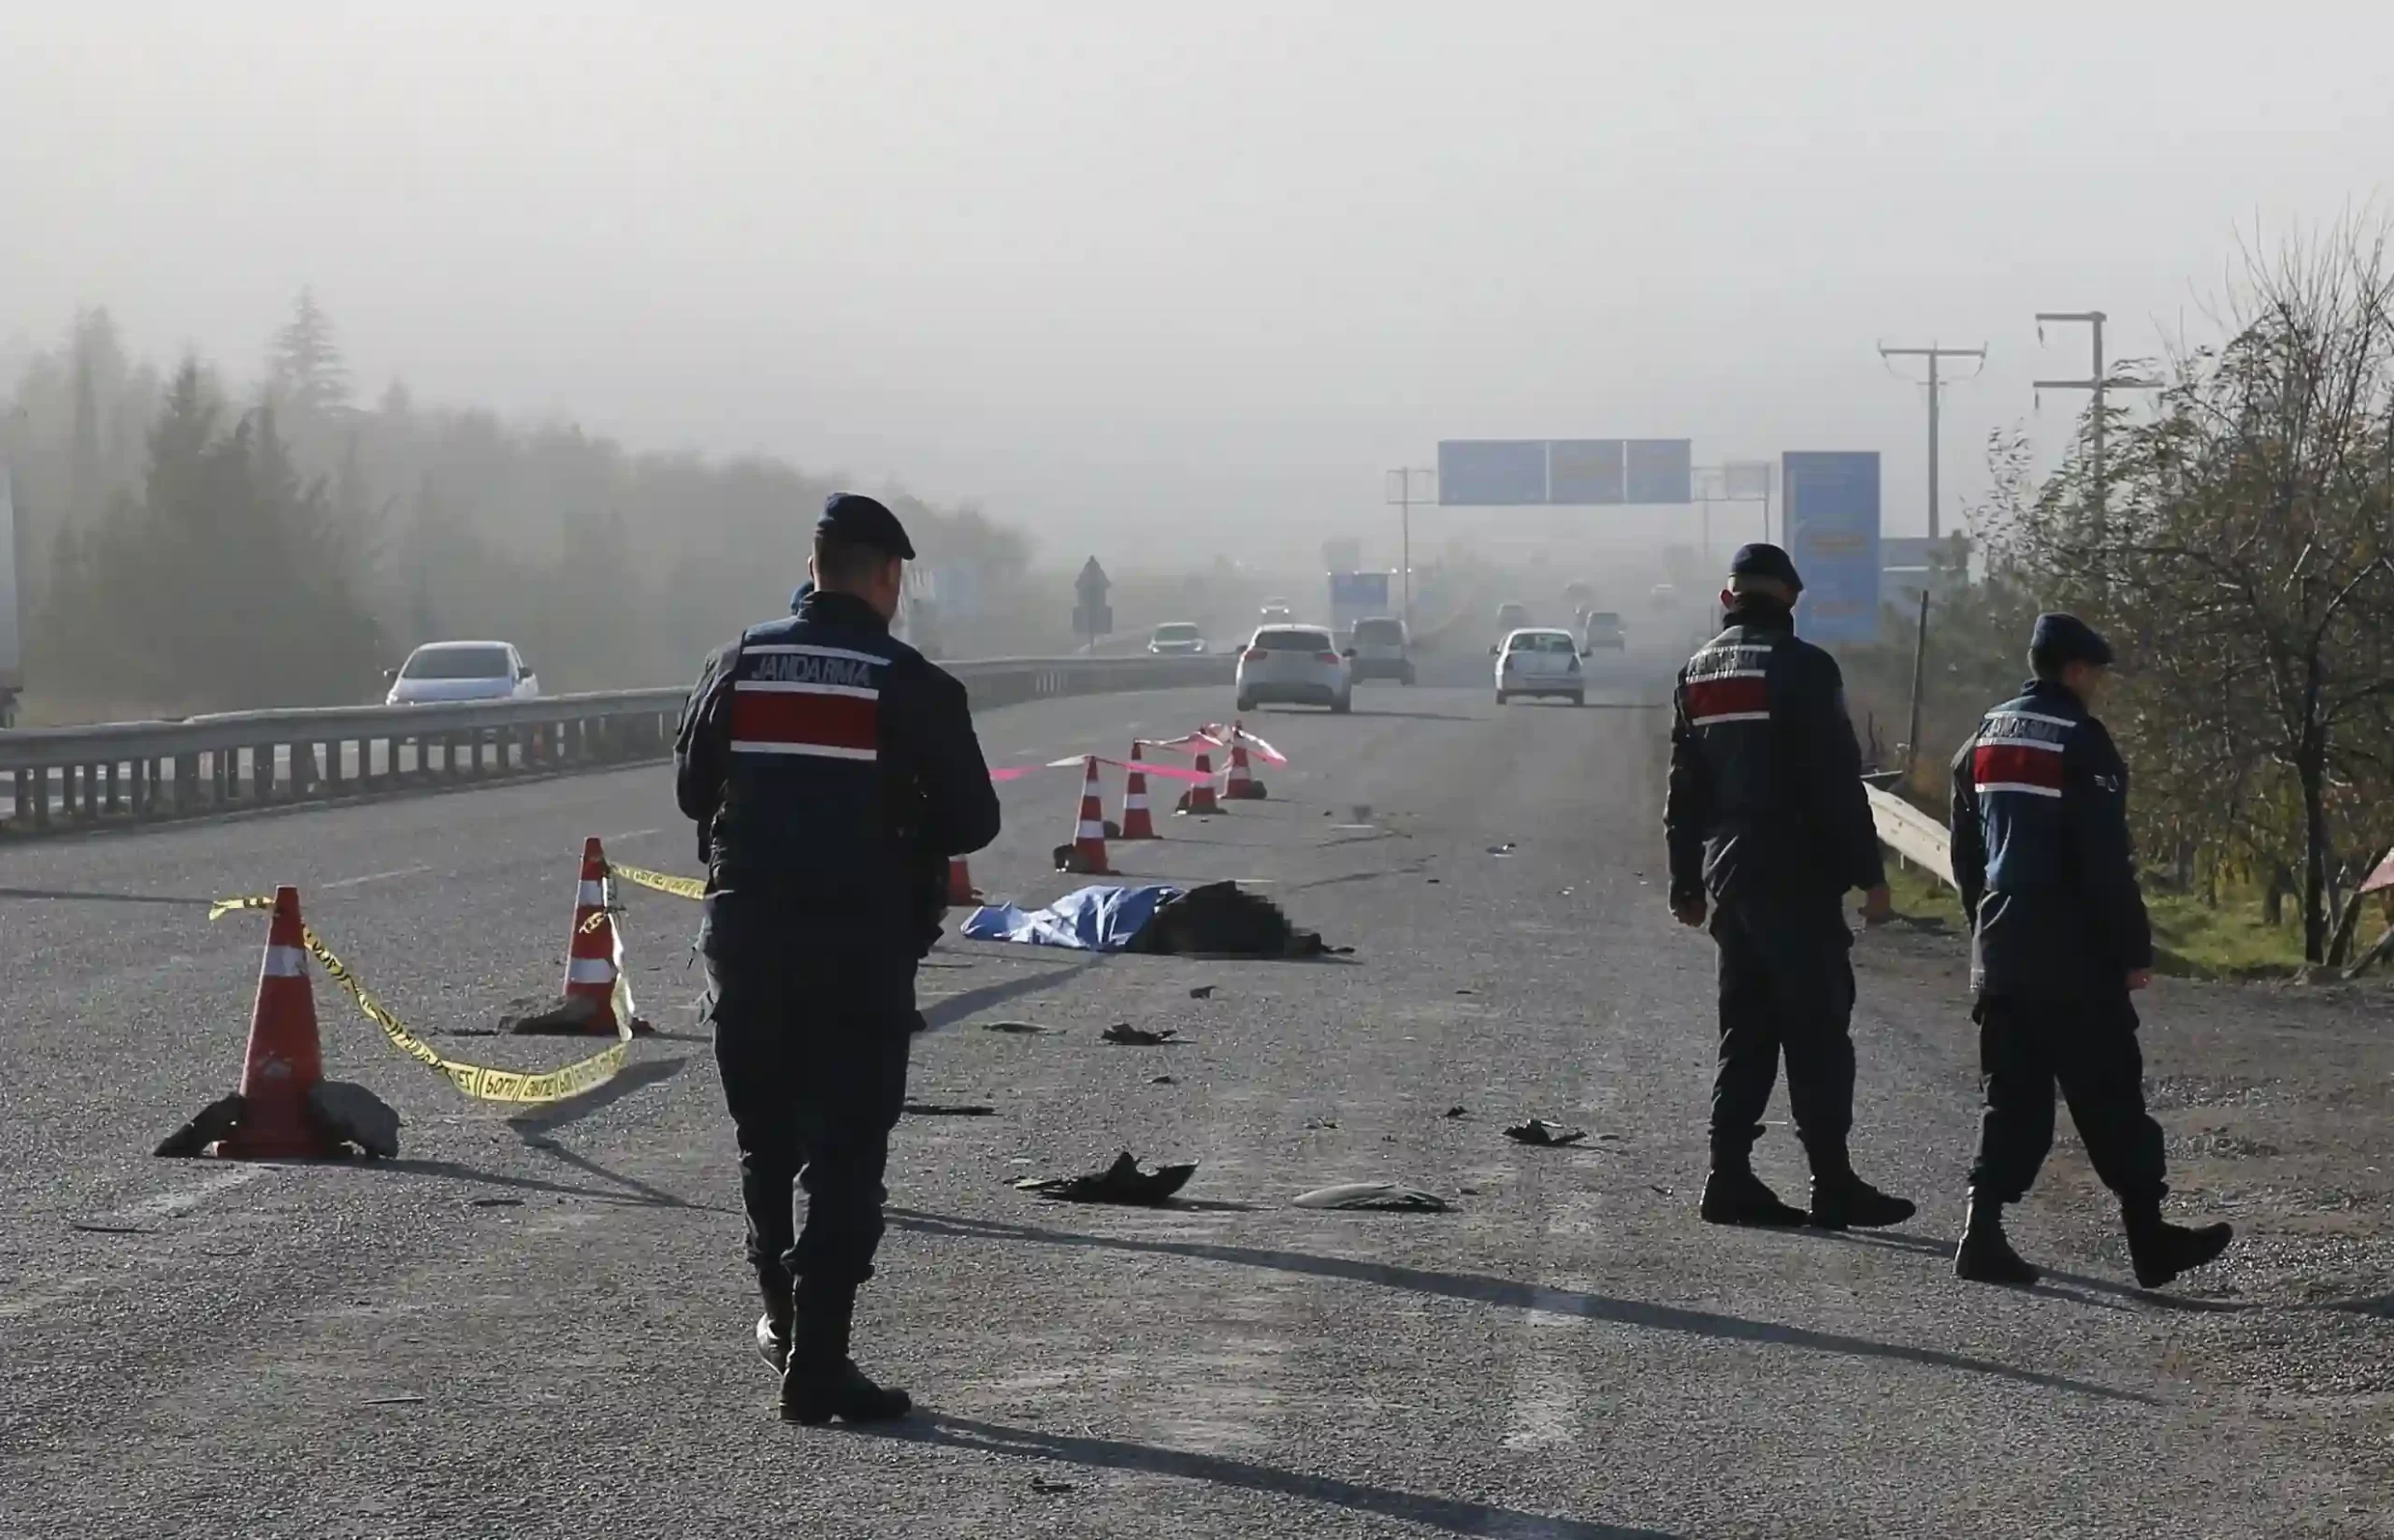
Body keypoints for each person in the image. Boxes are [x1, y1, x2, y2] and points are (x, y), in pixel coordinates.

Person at [673, 492, 1001, 1422]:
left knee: (764, 1140)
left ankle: (776, 1317)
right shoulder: (907, 682)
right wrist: (895, 829)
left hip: (746, 943)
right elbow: (975, 817)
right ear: (888, 577)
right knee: (846, 1150)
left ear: (814, 565)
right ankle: (818, 1359)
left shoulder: (738, 658)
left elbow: (694, 789)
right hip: (856, 950)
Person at [1946, 613, 2232, 1288]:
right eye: (2096, 673)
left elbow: (1965, 851)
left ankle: (1980, 1231)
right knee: (2111, 1098)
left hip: (2005, 951)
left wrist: (1983, 921)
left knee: (2012, 1101)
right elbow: (2105, 862)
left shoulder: (1985, 734)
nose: (2098, 685)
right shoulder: (2081, 740)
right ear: (2076, 670)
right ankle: (2149, 1240)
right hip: (2072, 959)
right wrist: (2132, 946)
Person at [1664, 543, 1915, 1231]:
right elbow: (1836, 782)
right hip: (1796, 874)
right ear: (1791, 601)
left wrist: (1685, 878)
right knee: (1817, 1030)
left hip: (1732, 878)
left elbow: (1686, 789)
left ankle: (1729, 1175)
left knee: (1745, 1030)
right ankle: (1832, 1183)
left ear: (1728, 600)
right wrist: (1870, 876)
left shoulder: (1697, 672)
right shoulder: (1805, 667)